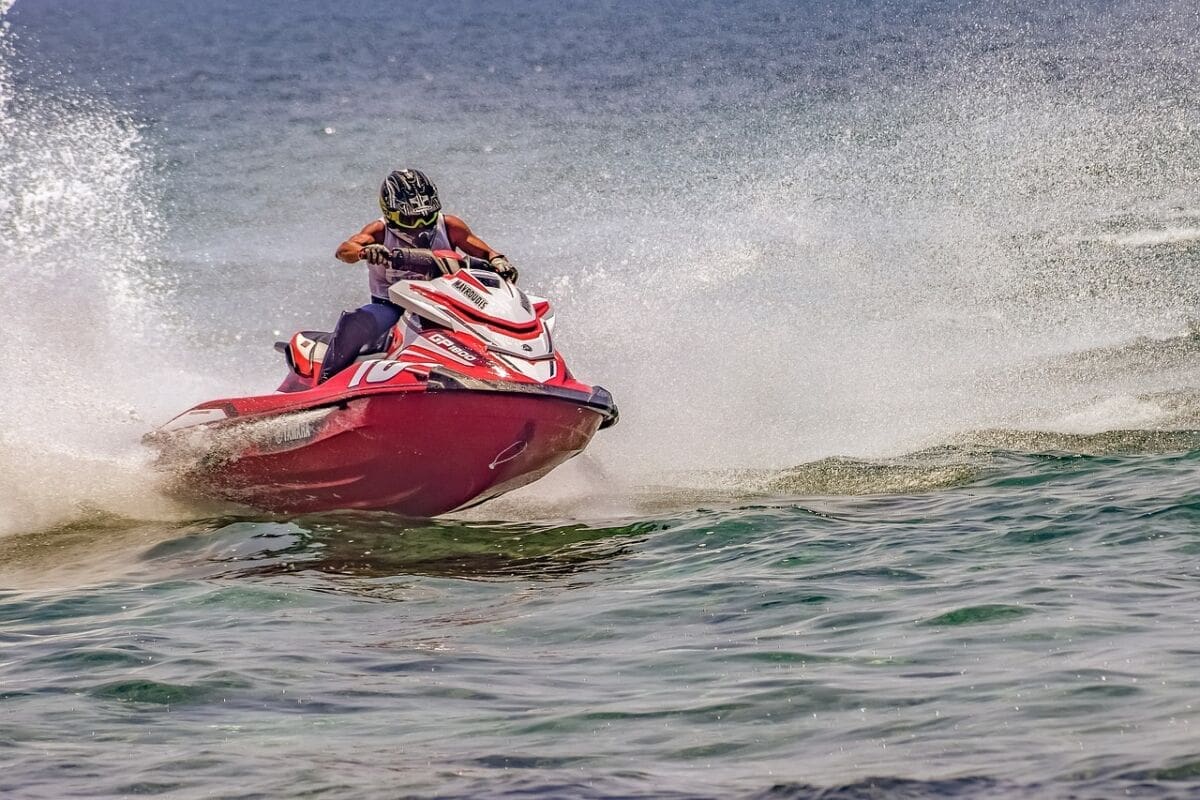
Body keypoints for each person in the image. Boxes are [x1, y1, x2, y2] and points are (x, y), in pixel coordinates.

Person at [318, 168, 516, 383]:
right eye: (410, 218)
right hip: (392, 306)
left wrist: (499, 261)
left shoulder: (450, 226)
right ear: (391, 213)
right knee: (357, 321)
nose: (420, 224)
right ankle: (326, 381)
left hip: (445, 302)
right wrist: (364, 251)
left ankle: (512, 369)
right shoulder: (380, 231)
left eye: (425, 216)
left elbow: (487, 253)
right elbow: (344, 250)